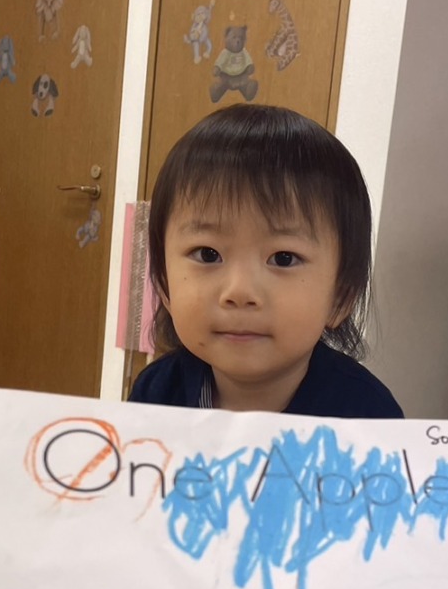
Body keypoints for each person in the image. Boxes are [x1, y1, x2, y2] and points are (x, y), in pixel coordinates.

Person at [130, 104, 403, 418]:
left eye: (283, 259)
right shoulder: (156, 392)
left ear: (341, 296)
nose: (239, 292)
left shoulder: (368, 415)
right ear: (164, 285)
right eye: (208, 254)